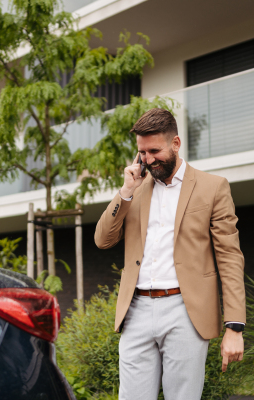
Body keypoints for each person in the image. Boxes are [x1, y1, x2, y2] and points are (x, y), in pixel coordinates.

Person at [94, 108, 245, 400]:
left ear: (175, 144)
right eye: (142, 152)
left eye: (155, 151)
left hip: (185, 312)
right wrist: (125, 191)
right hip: (136, 310)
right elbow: (103, 239)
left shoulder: (213, 188)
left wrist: (235, 325)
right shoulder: (135, 189)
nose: (148, 159)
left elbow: (229, 256)